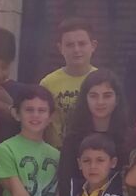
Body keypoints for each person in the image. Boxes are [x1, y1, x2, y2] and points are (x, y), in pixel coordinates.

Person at [56, 68, 130, 188]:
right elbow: (65, 181)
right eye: (94, 96)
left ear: (117, 100)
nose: (100, 102)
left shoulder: (128, 138)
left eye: (107, 96)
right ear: (85, 99)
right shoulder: (72, 139)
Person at [41, 18, 99, 147]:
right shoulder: (48, 83)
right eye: (70, 45)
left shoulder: (103, 80)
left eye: (82, 43)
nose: (76, 49)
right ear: (60, 48)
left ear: (93, 46)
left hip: (93, 157)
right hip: (56, 156)